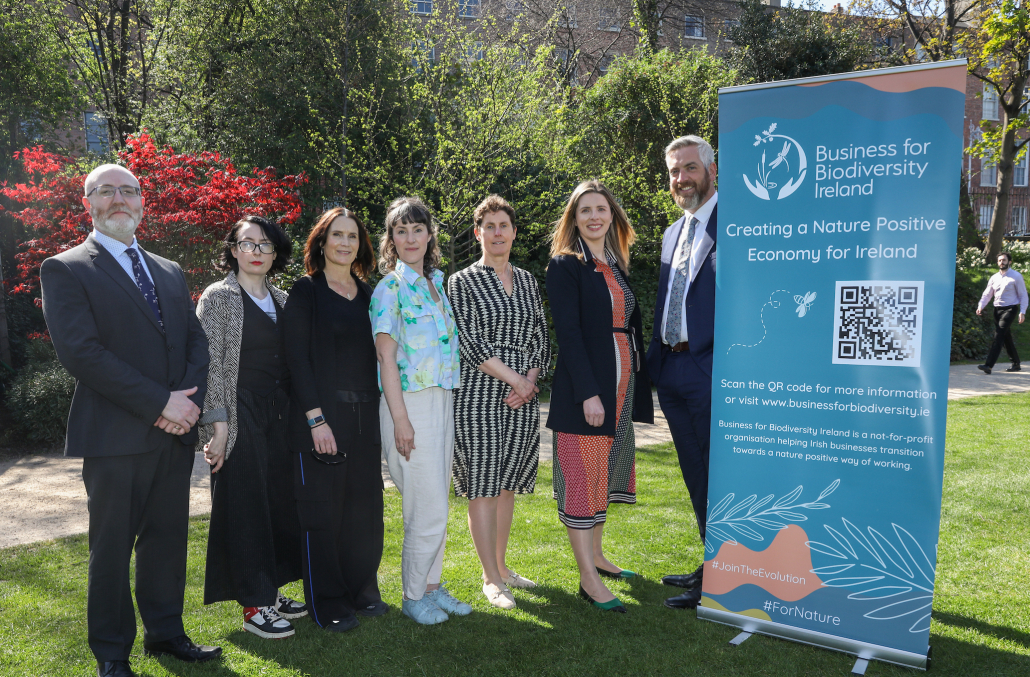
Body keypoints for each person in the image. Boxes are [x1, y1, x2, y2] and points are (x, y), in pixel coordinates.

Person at [39, 164, 220, 677]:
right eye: (106, 191)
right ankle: (112, 653)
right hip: (114, 437)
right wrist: (162, 404)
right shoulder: (66, 268)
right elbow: (82, 354)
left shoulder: (169, 269)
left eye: (129, 191)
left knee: (167, 540)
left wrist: (186, 405)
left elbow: (195, 342)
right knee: (112, 549)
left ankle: (166, 633)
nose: (119, 199)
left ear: (142, 201)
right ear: (88, 204)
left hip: (174, 436)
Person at [545, 179, 654, 614]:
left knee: (602, 474)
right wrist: (589, 393)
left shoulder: (615, 265)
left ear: (612, 217)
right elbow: (569, 334)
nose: (594, 216)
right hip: (586, 391)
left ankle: (598, 556)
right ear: (574, 218)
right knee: (581, 477)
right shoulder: (565, 265)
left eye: (601, 209)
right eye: (585, 210)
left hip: (621, 387)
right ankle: (587, 579)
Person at [195, 216, 305, 639]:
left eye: (265, 245)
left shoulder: (282, 299)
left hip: (279, 414)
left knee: (277, 502)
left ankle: (271, 591)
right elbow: (209, 365)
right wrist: (217, 424)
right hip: (239, 413)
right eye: (247, 243)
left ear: (276, 253)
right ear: (233, 250)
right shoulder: (218, 297)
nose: (256, 252)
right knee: (245, 506)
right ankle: (254, 605)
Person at [282, 207, 388, 633]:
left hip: (365, 419)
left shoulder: (368, 295)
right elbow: (296, 360)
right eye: (337, 235)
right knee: (323, 514)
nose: (345, 243)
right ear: (322, 242)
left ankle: (362, 591)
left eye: (352, 236)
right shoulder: (306, 291)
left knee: (365, 510)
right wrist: (316, 420)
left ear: (361, 245)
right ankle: (328, 602)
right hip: (322, 419)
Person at [371, 196, 471, 625]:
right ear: (391, 239)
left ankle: (432, 586)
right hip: (409, 403)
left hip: (441, 399)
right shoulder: (390, 289)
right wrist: (401, 420)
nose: (410, 238)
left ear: (430, 235)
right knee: (425, 508)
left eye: (417, 229)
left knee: (437, 505)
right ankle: (413, 595)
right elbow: (385, 358)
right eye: (401, 231)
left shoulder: (435, 284)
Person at [448, 195, 551, 610]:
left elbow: (540, 334)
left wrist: (529, 381)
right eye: (488, 226)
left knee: (506, 485)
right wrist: (516, 380)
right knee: (483, 485)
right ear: (478, 233)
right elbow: (468, 340)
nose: (496, 233)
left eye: (503, 225)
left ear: (513, 232)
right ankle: (490, 579)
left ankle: (503, 567)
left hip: (521, 398)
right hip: (480, 394)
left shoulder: (527, 280)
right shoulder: (461, 281)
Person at [644, 135, 719, 611]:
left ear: (712, 170)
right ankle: (712, 561)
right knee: (694, 472)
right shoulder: (673, 233)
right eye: (674, 171)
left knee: (717, 472)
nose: (681, 178)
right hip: (671, 367)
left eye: (690, 168)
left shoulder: (740, 225)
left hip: (710, 368)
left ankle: (724, 571)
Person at [976, 251, 1027, 374]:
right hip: (997, 310)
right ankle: (1016, 363)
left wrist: (1022, 311)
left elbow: (1023, 295)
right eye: (999, 260)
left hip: (1010, 309)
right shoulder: (994, 277)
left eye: (1004, 260)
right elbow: (987, 294)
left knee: (998, 336)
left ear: (1009, 262)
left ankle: (988, 365)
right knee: (1006, 337)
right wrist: (981, 306)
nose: (1001, 262)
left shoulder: (1016, 276)